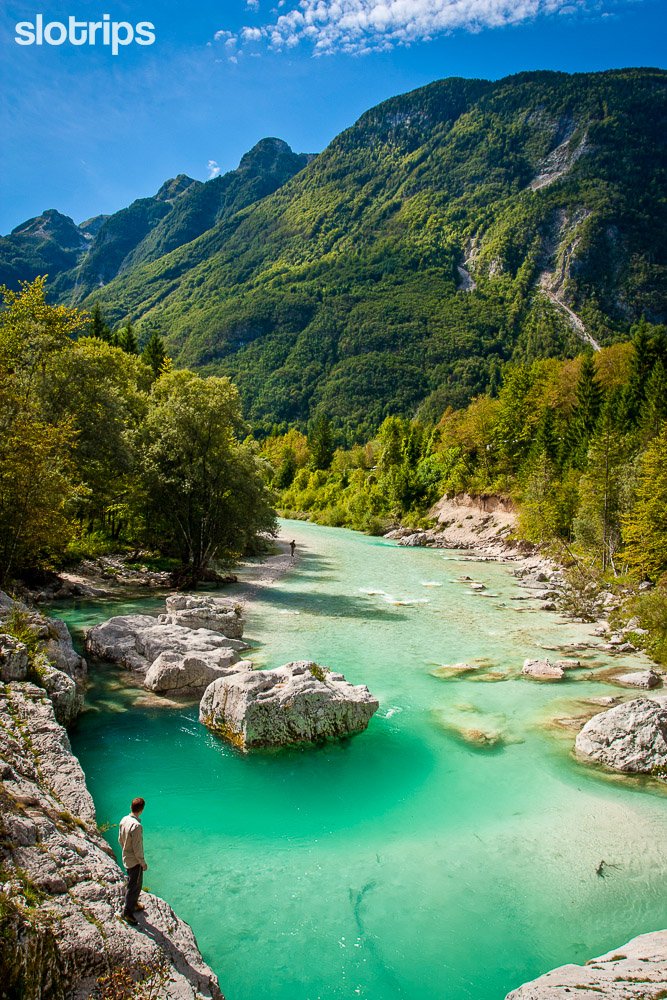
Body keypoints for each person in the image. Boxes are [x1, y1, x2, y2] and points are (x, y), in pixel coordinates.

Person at [118, 796, 148, 925]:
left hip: (126, 856)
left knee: (133, 882)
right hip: (134, 861)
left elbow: (120, 839)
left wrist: (125, 850)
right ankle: (127, 912)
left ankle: (134, 903)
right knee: (134, 885)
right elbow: (137, 847)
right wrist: (142, 862)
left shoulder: (124, 819)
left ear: (131, 807)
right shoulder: (136, 826)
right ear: (141, 810)